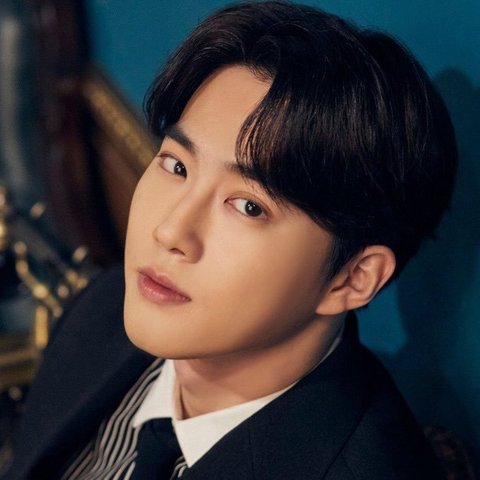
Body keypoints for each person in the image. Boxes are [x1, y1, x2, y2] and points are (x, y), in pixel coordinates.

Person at [4, 1, 457, 479]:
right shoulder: (104, 310)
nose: (170, 232)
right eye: (177, 166)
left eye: (248, 206)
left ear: (352, 278)